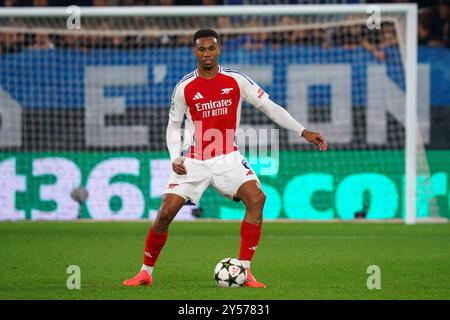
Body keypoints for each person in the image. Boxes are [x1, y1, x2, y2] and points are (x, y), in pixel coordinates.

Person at [123, 29, 327, 288]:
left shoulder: (236, 80)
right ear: (194, 51)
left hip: (228, 157)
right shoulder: (184, 87)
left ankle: (245, 271)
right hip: (194, 160)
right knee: (164, 213)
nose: (206, 54)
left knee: (257, 199)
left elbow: (269, 106)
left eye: (211, 48)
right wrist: (175, 156)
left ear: (219, 50)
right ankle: (145, 272)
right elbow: (173, 126)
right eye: (201, 49)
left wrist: (303, 131)